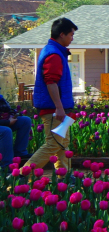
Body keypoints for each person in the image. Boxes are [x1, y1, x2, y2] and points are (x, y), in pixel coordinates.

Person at [26, 17, 78, 174]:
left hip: (60, 109)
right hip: (54, 110)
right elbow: (51, 82)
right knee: (53, 144)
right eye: (71, 35)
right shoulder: (54, 54)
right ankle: (21, 175)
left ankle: (65, 176)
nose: (72, 38)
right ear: (62, 34)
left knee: (62, 143)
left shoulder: (56, 52)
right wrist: (59, 108)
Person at [0, 91, 32, 172]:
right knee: (6, 131)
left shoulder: (1, 99)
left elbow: (7, 110)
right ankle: (7, 166)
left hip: (3, 122)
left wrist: (13, 115)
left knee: (25, 121)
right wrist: (7, 122)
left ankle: (20, 153)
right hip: (3, 124)